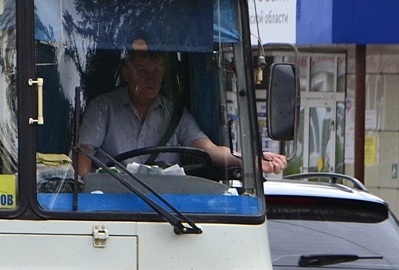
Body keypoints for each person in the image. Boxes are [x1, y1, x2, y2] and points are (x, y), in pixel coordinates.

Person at [75, 39, 287, 176]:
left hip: (167, 210)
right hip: (110, 207)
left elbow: (210, 150)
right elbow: (84, 154)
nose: (151, 79)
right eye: (142, 71)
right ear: (126, 74)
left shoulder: (176, 115)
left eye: (157, 72)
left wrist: (252, 160)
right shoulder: (103, 107)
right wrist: (86, 197)